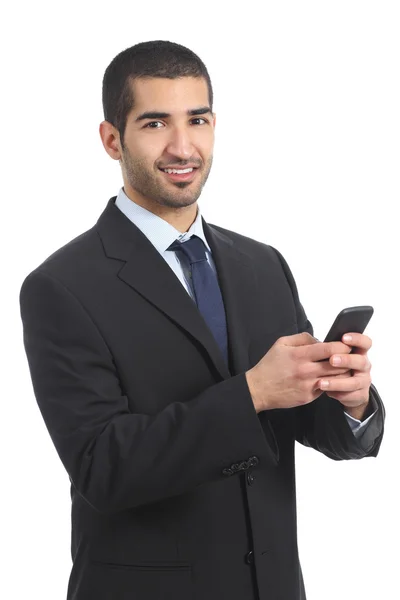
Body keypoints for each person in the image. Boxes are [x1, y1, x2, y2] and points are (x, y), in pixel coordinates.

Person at [19, 40, 385, 600]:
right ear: (112, 140)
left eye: (198, 119)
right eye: (155, 123)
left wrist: (349, 400)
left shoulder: (262, 264)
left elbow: (303, 423)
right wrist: (253, 393)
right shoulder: (61, 287)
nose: (182, 145)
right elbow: (102, 468)